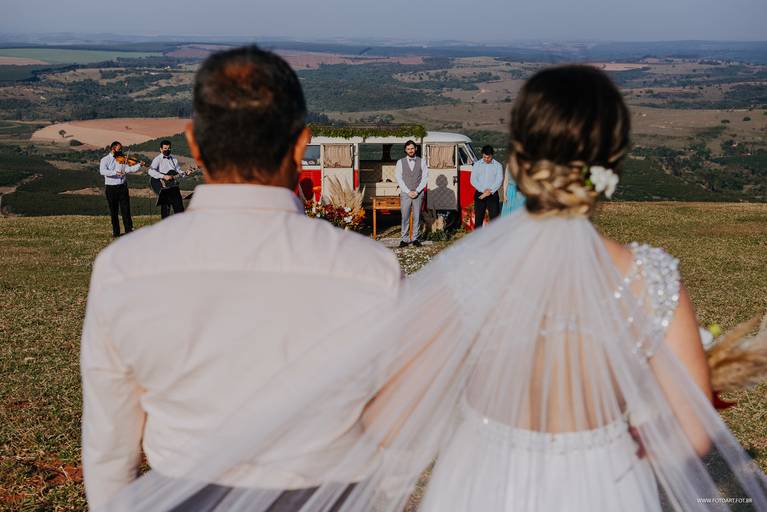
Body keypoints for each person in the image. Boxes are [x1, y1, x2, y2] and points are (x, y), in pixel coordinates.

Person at [92, 66, 767, 512]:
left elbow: (393, 417)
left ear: (516, 159)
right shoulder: (652, 277)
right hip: (606, 484)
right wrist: (619, 446)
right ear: (611, 162)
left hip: (484, 482)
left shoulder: (466, 273)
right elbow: (691, 433)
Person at [80, 46, 401, 511]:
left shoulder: (123, 268)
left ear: (193, 142)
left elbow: (109, 450)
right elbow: (394, 431)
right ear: (300, 144)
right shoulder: (372, 271)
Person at [99, 141, 142, 237]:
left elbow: (128, 169)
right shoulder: (105, 160)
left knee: (126, 210)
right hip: (111, 188)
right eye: (119, 149)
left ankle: (129, 231)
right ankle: (116, 232)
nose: (121, 151)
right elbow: (102, 171)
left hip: (122, 187)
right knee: (114, 211)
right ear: (113, 149)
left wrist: (139, 165)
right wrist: (115, 172)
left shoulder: (122, 159)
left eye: (121, 149)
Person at [395, 140, 428, 247]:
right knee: (405, 216)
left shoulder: (422, 161)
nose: (410, 150)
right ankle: (404, 239)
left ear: (416, 149)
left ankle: (415, 238)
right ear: (405, 150)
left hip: (418, 193)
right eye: (408, 149)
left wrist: (417, 191)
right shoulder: (400, 162)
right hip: (405, 193)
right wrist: (408, 191)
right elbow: (399, 178)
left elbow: (425, 178)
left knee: (417, 216)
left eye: (412, 148)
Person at [148, 140, 187, 219]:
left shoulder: (174, 159)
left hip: (173, 185)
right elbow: (150, 171)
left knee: (179, 206)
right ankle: (165, 224)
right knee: (166, 207)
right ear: (161, 149)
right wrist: (163, 176)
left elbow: (179, 172)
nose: (167, 150)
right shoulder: (157, 159)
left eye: (169, 148)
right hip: (162, 185)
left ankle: (181, 223)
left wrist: (185, 173)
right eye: (165, 148)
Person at [469, 145, 503, 227]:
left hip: (493, 195)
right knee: (478, 218)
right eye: (484, 157)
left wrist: (490, 191)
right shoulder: (477, 165)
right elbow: (473, 180)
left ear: (492, 155)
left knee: (494, 219)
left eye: (488, 157)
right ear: (482, 154)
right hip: (480, 194)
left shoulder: (498, 165)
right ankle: (478, 234)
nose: (486, 159)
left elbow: (499, 180)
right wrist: (483, 190)